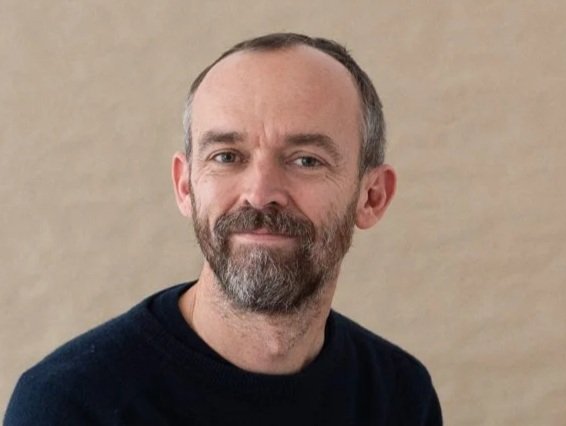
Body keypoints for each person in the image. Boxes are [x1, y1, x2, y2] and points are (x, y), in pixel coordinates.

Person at [5, 33, 442, 425]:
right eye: (227, 156)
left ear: (372, 197)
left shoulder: (400, 396)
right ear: (185, 186)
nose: (260, 193)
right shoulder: (70, 406)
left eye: (306, 160)